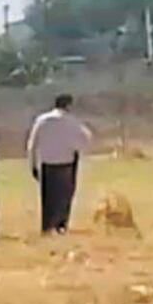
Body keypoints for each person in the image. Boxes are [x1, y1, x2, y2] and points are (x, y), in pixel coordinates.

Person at [27, 94, 92, 234]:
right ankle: (61, 226)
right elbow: (86, 138)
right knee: (64, 197)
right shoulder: (72, 121)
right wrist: (76, 148)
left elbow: (32, 144)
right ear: (68, 105)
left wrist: (33, 164)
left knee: (48, 198)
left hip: (47, 164)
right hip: (66, 163)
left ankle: (47, 226)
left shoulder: (42, 120)